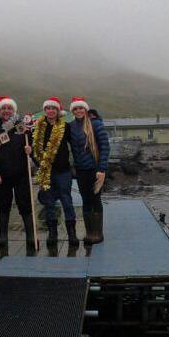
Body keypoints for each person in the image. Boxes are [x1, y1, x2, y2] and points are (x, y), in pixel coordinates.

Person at [0, 96, 34, 248]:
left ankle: (30, 235)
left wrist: (30, 149)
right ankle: (3, 236)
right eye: (3, 108)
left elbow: (31, 145)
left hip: (21, 173)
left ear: (14, 110)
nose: (6, 111)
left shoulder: (21, 127)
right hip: (2, 175)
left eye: (9, 108)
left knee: (25, 204)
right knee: (3, 205)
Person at [32, 96, 77, 245]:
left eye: (54, 108)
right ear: (45, 110)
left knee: (67, 201)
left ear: (58, 111)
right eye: (48, 108)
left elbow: (76, 144)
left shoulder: (66, 127)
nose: (50, 111)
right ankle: (52, 233)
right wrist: (33, 157)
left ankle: (72, 233)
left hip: (63, 171)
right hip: (46, 171)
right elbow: (34, 149)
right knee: (49, 203)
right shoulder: (38, 127)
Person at [69, 96, 110, 244]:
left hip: (95, 169)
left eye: (81, 108)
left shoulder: (96, 124)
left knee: (95, 199)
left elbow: (105, 146)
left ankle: (98, 233)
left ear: (85, 109)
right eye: (75, 108)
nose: (78, 111)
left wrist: (102, 168)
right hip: (80, 170)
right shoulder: (71, 126)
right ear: (72, 111)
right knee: (85, 200)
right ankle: (89, 233)